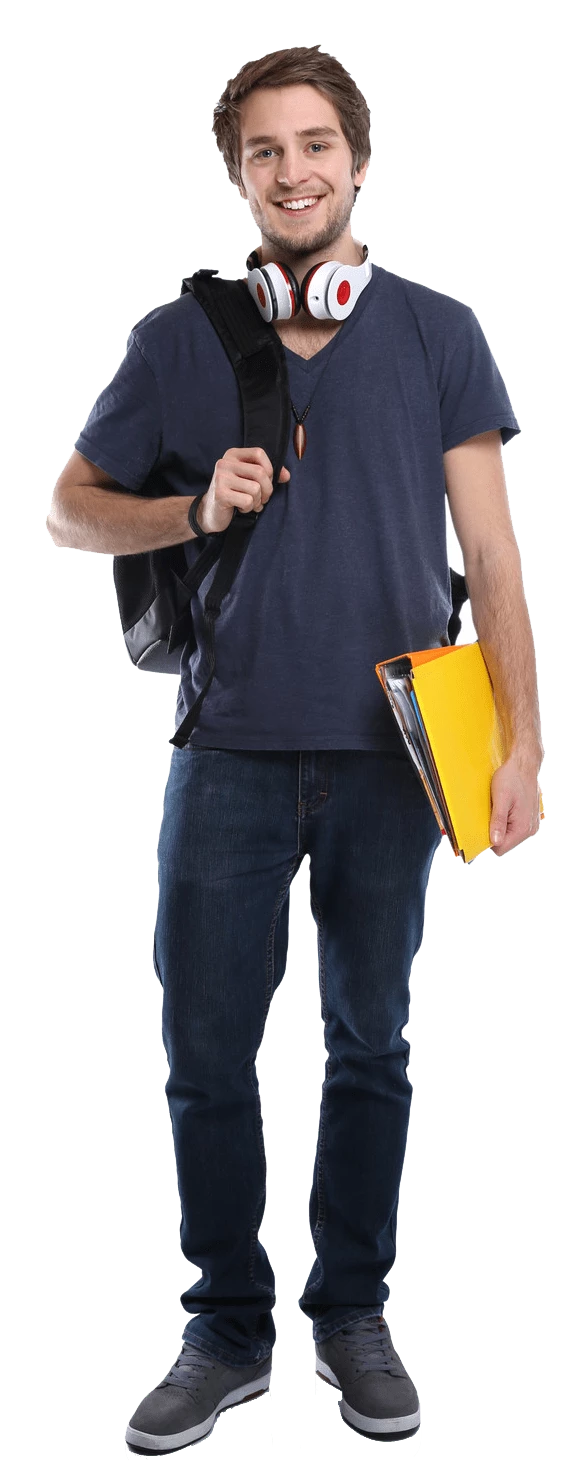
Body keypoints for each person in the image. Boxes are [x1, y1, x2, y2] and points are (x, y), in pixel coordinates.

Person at [45, 43, 544, 1456]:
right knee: (203, 1053)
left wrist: (519, 743)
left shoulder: (442, 333)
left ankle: (355, 1314)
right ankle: (224, 1327)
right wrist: (193, 507)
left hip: (397, 755)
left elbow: (496, 560)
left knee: (368, 1044)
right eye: (265, 150)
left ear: (358, 160)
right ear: (238, 175)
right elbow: (72, 513)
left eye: (315, 142)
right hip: (227, 749)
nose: (294, 168)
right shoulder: (175, 340)